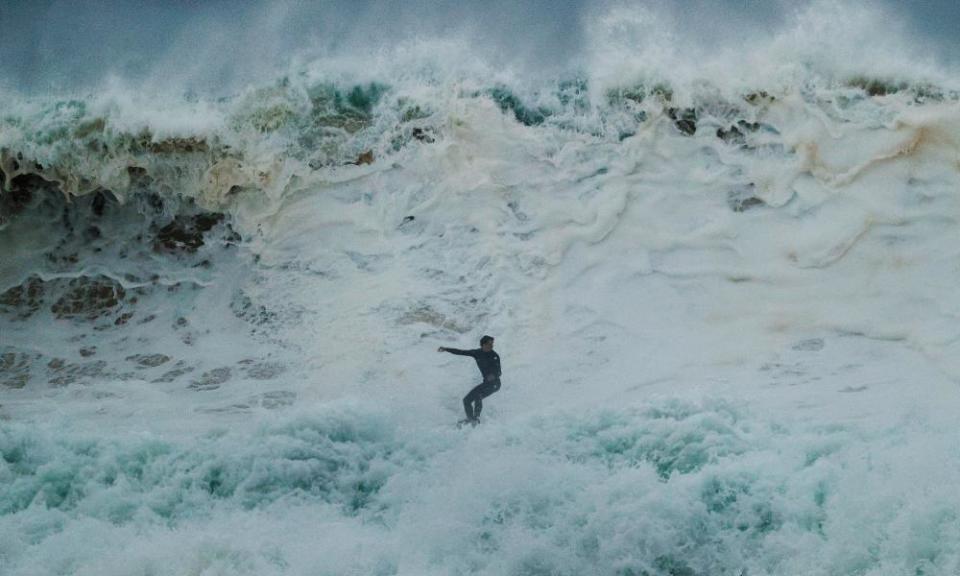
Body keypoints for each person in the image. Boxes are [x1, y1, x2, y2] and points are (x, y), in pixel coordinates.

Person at [438, 335, 501, 425]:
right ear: (483, 345)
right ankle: (471, 419)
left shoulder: (494, 356)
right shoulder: (477, 353)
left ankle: (476, 418)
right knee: (466, 400)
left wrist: (493, 376)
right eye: (489, 344)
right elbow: (461, 352)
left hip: (495, 384)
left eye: (492, 344)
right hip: (486, 384)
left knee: (477, 396)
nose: (492, 346)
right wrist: (446, 349)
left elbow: (499, 372)